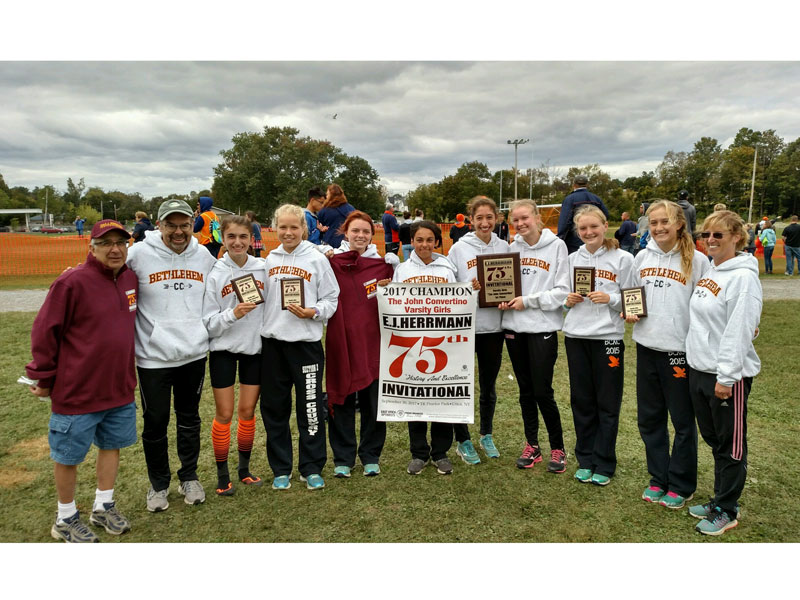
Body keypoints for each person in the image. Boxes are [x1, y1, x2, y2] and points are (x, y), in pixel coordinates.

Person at [26, 219, 137, 542]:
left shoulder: (130, 278)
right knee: (69, 456)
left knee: (111, 446)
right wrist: (43, 377)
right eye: (106, 243)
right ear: (92, 247)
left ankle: (103, 506)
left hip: (118, 387)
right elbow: (44, 332)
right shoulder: (71, 282)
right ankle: (65, 517)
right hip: (77, 391)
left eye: (121, 243)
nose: (115, 249)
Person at [127, 199, 218, 512]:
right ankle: (158, 484)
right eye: (171, 225)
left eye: (184, 225)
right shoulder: (138, 253)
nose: (178, 232)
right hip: (153, 356)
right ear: (159, 225)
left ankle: (189, 477)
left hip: (193, 352)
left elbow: (222, 286)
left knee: (190, 418)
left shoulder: (203, 255)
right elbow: (108, 273)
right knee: (156, 421)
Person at [624, 200, 710, 510]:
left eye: (665, 222)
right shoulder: (642, 257)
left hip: (679, 351)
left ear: (679, 224)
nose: (659, 227)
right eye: (654, 222)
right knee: (650, 419)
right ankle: (658, 478)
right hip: (646, 346)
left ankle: (682, 484)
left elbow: (709, 305)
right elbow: (633, 293)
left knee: (683, 422)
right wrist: (630, 310)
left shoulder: (698, 261)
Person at [686, 210, 762, 536]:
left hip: (726, 377)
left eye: (719, 235)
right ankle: (719, 499)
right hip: (700, 369)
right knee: (715, 440)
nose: (711, 240)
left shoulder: (743, 278)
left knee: (731, 446)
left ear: (736, 238)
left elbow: (739, 330)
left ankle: (727, 510)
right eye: (707, 235)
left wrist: (727, 377)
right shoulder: (712, 271)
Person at [260, 204, 340, 490]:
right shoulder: (268, 260)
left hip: (306, 345)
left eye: (294, 227)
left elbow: (332, 298)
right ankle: (281, 468)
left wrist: (314, 312)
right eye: (283, 227)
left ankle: (311, 466)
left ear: (304, 229)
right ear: (275, 229)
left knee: (310, 409)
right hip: (273, 345)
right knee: (275, 409)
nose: (289, 232)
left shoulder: (317, 259)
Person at [563, 204, 634, 486]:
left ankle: (604, 462)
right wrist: (566, 300)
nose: (589, 232)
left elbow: (633, 300)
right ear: (577, 231)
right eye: (583, 228)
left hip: (608, 338)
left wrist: (611, 299)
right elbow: (562, 295)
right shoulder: (571, 259)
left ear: (605, 226)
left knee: (607, 402)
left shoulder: (623, 259)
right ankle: (585, 458)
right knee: (582, 401)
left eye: (594, 226)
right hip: (576, 337)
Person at [498, 200, 570, 473]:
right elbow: (503, 286)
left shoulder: (557, 246)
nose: (520, 224)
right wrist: (502, 301)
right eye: (515, 220)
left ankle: (558, 448)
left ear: (538, 217)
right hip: (514, 329)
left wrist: (527, 301)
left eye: (525, 217)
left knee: (543, 391)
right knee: (525, 392)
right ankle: (532, 446)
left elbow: (562, 292)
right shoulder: (510, 248)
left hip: (542, 329)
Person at [326, 211, 396, 478]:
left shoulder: (382, 265)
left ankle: (371, 455)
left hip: (374, 341)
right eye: (355, 231)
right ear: (346, 232)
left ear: (372, 234)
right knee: (341, 395)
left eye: (366, 231)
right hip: (341, 339)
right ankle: (343, 457)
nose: (360, 236)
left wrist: (393, 273)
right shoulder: (330, 262)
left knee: (374, 399)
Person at [202, 215, 267, 496]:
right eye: (231, 237)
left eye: (243, 236)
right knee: (225, 413)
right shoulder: (215, 273)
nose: (238, 242)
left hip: (254, 350)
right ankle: (222, 473)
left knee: (247, 412)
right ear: (223, 238)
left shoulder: (264, 268)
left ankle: (244, 469)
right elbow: (208, 323)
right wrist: (233, 314)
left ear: (251, 239)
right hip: (223, 351)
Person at [393, 220, 458, 476]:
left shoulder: (447, 269)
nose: (424, 245)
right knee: (415, 397)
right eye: (419, 240)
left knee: (442, 396)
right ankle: (419, 453)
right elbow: (395, 305)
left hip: (442, 342)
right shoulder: (402, 270)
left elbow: (458, 302)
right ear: (412, 242)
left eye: (429, 240)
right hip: (413, 342)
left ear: (437, 242)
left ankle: (440, 452)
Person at [447, 196, 510, 463]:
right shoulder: (459, 249)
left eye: (489, 217)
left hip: (493, 327)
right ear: (470, 220)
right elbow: (449, 288)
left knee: (488, 384)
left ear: (497, 218)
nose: (484, 223)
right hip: (465, 327)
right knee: (461, 384)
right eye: (479, 218)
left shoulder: (505, 246)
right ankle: (462, 439)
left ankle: (486, 434)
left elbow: (511, 282)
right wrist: (467, 289)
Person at [557, 174, 610, 254]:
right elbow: (606, 215)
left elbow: (564, 221)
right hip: (595, 240)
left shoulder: (570, 199)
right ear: (587, 184)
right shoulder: (596, 198)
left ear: (574, 185)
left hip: (575, 241)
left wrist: (559, 238)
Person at [318, 184, 355, 249]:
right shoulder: (351, 209)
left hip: (330, 244)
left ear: (331, 195)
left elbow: (319, 225)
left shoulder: (325, 210)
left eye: (327, 194)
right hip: (348, 243)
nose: (326, 196)